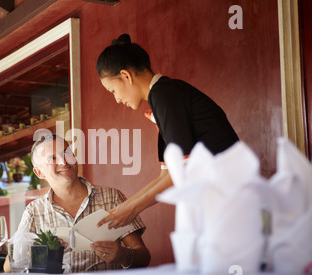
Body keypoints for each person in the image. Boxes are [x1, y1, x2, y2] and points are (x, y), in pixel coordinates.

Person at [96, 34, 239, 229]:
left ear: (126, 76)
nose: (117, 99)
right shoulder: (162, 96)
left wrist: (132, 209)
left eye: (112, 90)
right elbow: (167, 175)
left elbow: (181, 172)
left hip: (230, 199)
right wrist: (123, 208)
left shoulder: (165, 95)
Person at [17, 133, 151, 272]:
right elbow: (9, 266)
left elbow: (144, 257)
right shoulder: (33, 211)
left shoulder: (111, 197)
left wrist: (124, 256)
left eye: (66, 153)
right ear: (39, 173)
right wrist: (37, 254)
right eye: (53, 158)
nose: (64, 162)